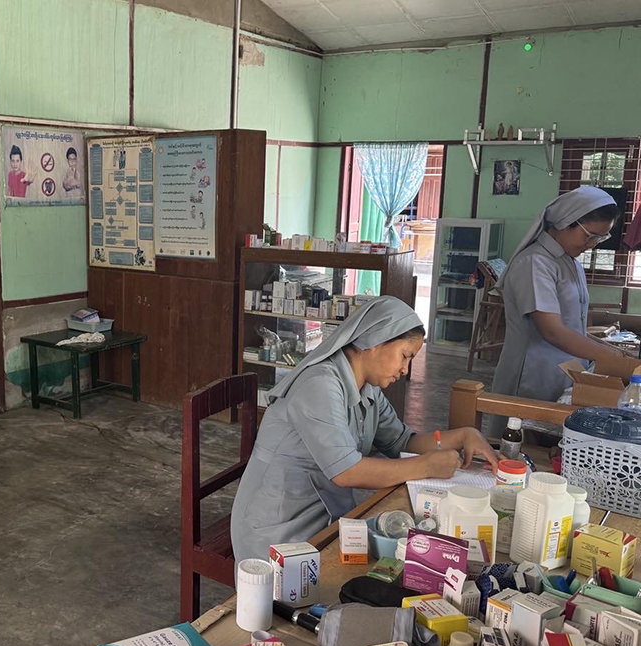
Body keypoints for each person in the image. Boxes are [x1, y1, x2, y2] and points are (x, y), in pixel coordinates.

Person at [230, 296, 498, 563]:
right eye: (405, 356)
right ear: (376, 341)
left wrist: (463, 436)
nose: (405, 370)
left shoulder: (367, 389)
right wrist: (426, 466)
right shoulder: (320, 384)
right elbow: (346, 471)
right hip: (278, 529)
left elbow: (403, 441)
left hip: (326, 516)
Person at [492, 186, 629, 413]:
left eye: (600, 237)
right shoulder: (534, 263)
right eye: (589, 235)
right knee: (521, 439)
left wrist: (619, 355)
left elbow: (576, 327)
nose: (593, 245)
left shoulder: (571, 263)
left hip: (565, 372)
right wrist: (618, 361)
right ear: (565, 222)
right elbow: (553, 331)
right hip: (534, 375)